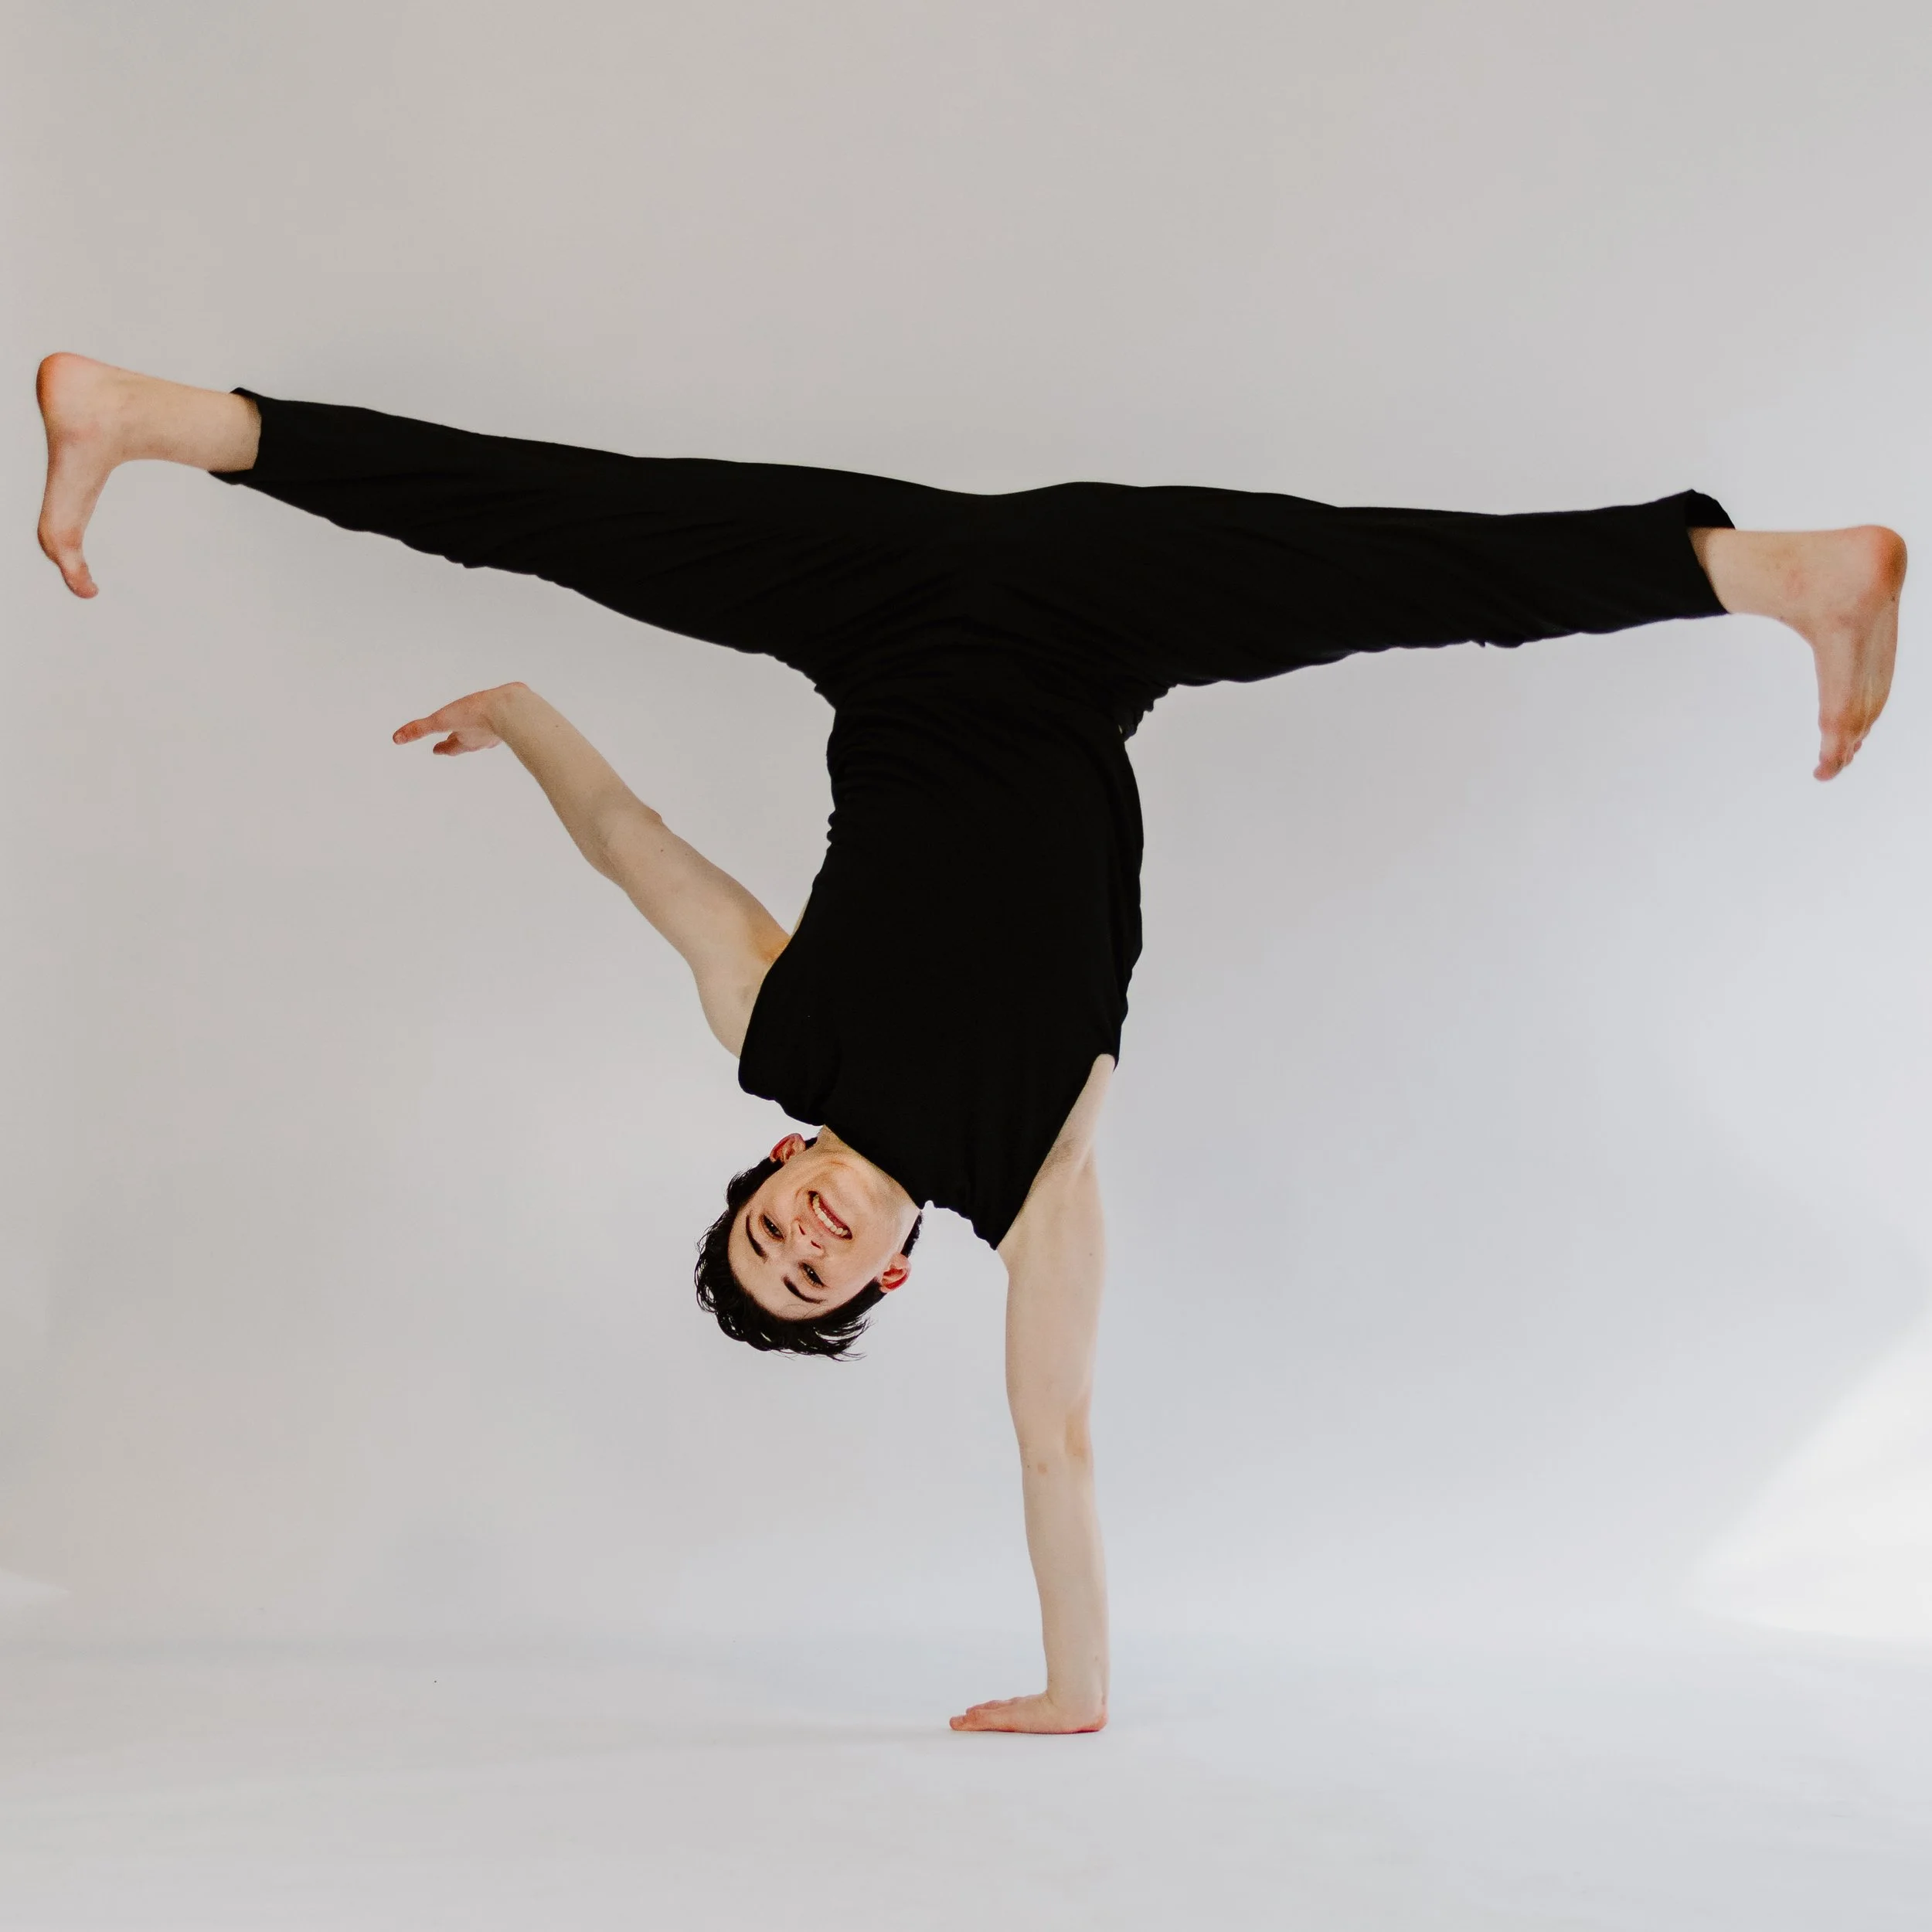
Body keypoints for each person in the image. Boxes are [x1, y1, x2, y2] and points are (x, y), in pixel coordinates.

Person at [35, 352, 1906, 1734]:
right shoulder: (1038, 1179)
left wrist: (527, 714)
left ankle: (138, 413)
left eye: (771, 1235)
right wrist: (1072, 1687)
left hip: (883, 598)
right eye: (818, 1275)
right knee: (1406, 583)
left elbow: (641, 857)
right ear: (891, 1266)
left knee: (561, 505)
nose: (808, 1238)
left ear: (773, 1171)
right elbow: (1057, 1440)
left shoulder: (780, 1033)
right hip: (1099, 612)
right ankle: (1795, 576)